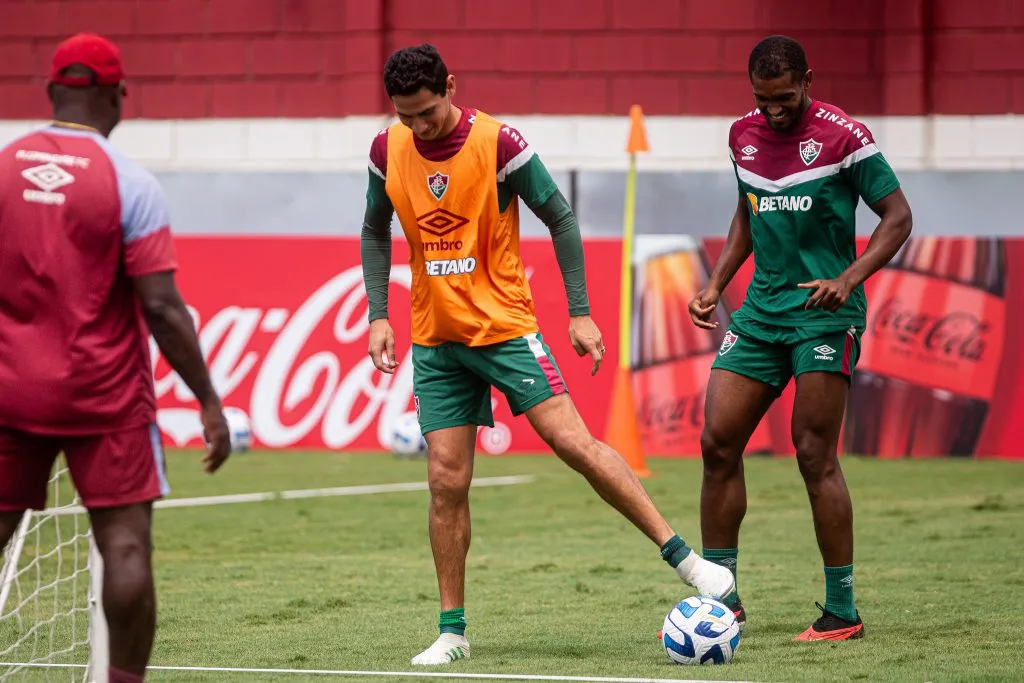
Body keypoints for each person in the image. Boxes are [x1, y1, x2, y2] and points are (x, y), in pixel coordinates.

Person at [360, 43, 735, 666]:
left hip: (506, 330)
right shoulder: (385, 149)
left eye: (426, 111)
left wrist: (579, 312)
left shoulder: (500, 143)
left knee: (574, 445)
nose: (418, 126)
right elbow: (376, 228)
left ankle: (686, 561)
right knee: (445, 482)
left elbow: (560, 217)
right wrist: (379, 314)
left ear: (450, 86)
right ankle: (452, 632)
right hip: (435, 338)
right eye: (406, 115)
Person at [0, 33, 232, 683]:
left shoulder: (3, 166)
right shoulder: (130, 182)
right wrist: (208, 400)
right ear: (116, 96)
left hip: (9, 388)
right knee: (125, 545)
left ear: (51, 90)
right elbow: (162, 306)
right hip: (104, 395)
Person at [689, 35, 913, 641]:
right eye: (763, 99)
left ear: (808, 81)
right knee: (717, 442)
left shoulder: (846, 137)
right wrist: (715, 284)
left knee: (813, 453)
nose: (773, 111)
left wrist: (849, 278)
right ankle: (723, 600)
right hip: (761, 314)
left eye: (784, 98)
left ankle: (842, 611)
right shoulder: (742, 135)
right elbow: (748, 213)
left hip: (823, 315)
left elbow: (898, 217)